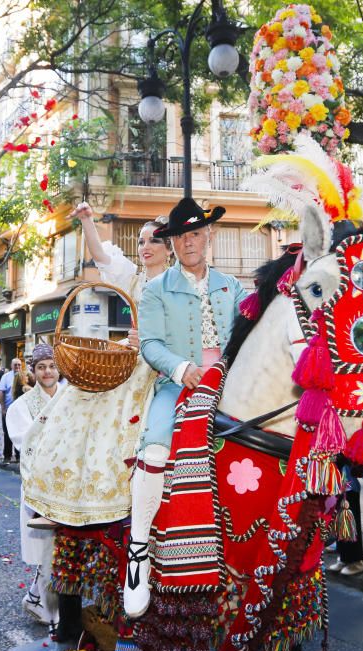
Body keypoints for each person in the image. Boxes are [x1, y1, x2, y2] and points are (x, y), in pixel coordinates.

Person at [124, 196, 247, 618]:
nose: (189, 242)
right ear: (171, 243)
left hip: (231, 385)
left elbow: (247, 335)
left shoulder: (233, 286)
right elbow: (151, 345)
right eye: (181, 236)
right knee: (155, 444)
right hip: (177, 385)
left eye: (196, 233)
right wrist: (181, 369)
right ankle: (138, 550)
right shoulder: (155, 289)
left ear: (208, 236)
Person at [22, 203, 172, 529]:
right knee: (73, 403)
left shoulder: (178, 285)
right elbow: (101, 256)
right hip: (122, 361)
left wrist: (150, 340)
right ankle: (59, 504)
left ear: (168, 249)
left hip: (154, 368)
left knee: (111, 424)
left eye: (153, 242)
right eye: (142, 242)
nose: (145, 247)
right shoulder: (133, 278)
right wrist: (88, 221)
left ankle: (113, 503)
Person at [6, 344, 62, 626]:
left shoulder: (72, 397)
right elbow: (26, 443)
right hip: (42, 486)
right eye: (41, 367)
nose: (48, 371)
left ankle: (36, 597)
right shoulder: (20, 407)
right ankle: (49, 610)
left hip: (72, 485)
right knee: (47, 547)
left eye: (51, 366)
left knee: (63, 547)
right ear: (34, 371)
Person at [0, 357, 22, 462]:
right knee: (7, 433)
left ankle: (19, 456)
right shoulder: (6, 377)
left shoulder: (24, 376)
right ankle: (7, 457)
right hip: (8, 409)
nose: (17, 366)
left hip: (21, 411)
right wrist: (3, 408)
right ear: (11, 366)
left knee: (20, 433)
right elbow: (1, 392)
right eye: (15, 364)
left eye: (19, 364)